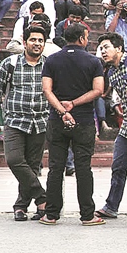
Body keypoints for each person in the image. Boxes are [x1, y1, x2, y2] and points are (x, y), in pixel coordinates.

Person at [40, 22, 105, 226]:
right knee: (83, 168)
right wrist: (74, 104)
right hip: (84, 120)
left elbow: (46, 90)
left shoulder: (51, 60)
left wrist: (61, 111)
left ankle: (51, 214)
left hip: (57, 121)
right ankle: (87, 215)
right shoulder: (93, 61)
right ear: (82, 38)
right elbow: (98, 90)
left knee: (55, 167)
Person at [0, 25, 49, 221]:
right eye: (33, 40)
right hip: (15, 121)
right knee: (14, 159)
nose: (36, 44)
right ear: (25, 42)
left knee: (32, 166)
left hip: (40, 121)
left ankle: (20, 206)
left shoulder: (49, 65)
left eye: (40, 40)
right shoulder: (10, 63)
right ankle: (42, 197)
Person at [94, 33, 127, 219]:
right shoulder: (110, 72)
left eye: (106, 47)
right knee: (118, 166)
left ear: (119, 48)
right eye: (101, 48)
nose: (103, 51)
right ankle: (111, 206)